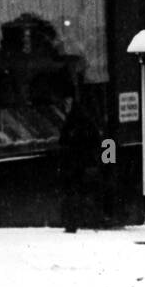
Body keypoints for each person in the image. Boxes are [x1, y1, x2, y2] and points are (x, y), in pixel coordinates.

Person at [59, 88, 102, 233]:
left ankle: (72, 222)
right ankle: (80, 220)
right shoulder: (84, 118)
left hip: (76, 162)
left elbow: (65, 139)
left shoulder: (75, 119)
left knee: (73, 192)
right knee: (79, 192)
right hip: (84, 162)